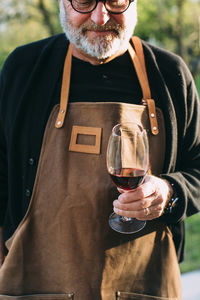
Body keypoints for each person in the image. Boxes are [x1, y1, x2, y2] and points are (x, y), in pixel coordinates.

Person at [0, 0, 200, 299]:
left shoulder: (170, 74)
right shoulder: (24, 68)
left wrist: (170, 191)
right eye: (83, 2)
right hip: (36, 282)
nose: (100, 16)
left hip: (143, 282)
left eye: (115, 1)